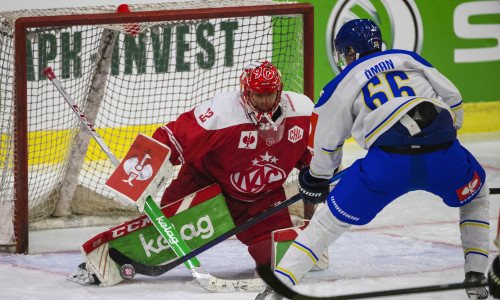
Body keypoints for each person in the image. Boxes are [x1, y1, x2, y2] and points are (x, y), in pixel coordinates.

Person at [257, 19, 490, 300]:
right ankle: (476, 276)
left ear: (350, 51)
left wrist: (317, 178)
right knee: (476, 196)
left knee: (328, 223)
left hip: (388, 166)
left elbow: (326, 145)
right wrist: (448, 136)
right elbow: (453, 97)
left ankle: (278, 287)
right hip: (444, 152)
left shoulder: (339, 84)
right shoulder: (408, 58)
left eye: (344, 53)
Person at [152, 60, 314, 268]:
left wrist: (322, 173)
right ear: (245, 92)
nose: (265, 102)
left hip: (262, 201)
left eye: (270, 95)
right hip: (207, 188)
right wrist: (142, 168)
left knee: (281, 263)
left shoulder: (302, 112)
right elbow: (175, 137)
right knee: (155, 239)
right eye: (258, 95)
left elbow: (317, 158)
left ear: (279, 91)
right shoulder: (222, 112)